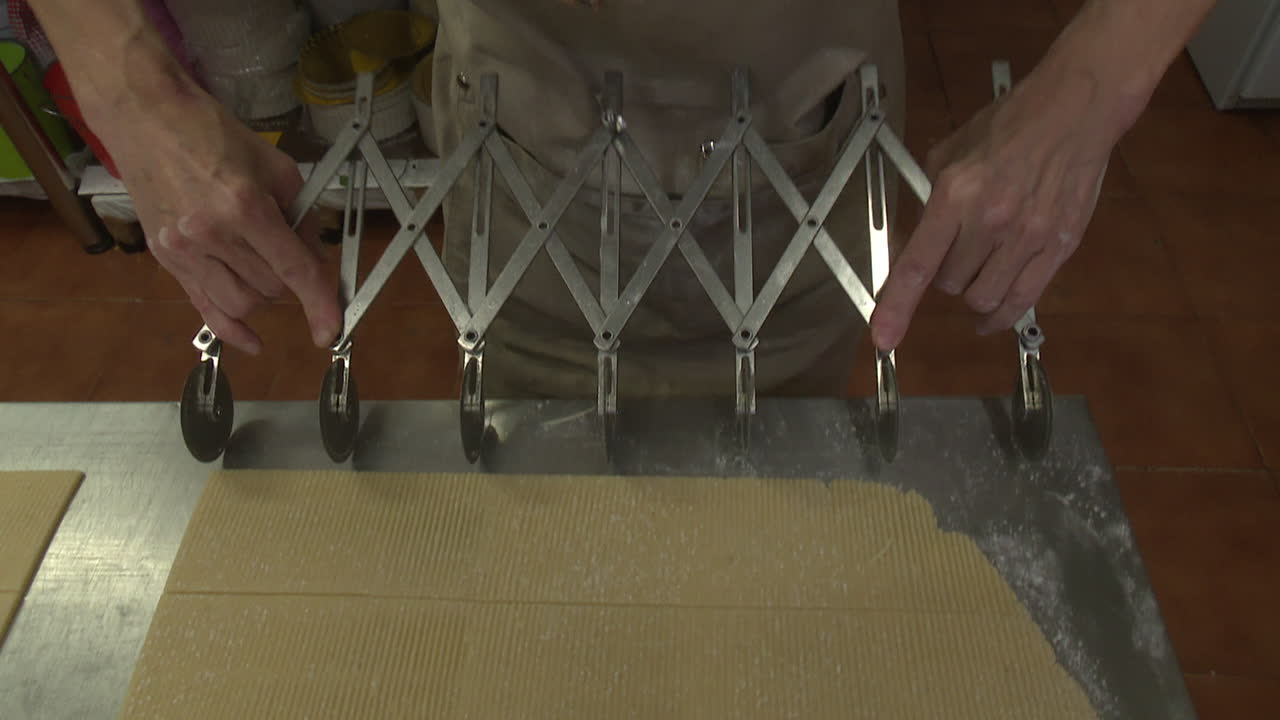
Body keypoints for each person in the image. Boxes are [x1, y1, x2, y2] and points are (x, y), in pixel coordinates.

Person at [29, 0, 1216, 398]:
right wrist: (126, 82)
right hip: (521, 102)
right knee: (536, 443)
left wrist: (1094, 88)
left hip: (796, 91)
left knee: (781, 472)